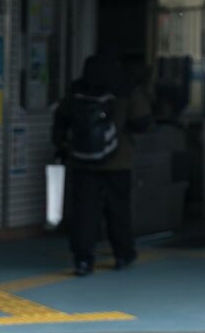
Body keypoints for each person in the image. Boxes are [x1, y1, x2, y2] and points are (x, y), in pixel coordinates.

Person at [54, 49, 152, 276]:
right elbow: (141, 122)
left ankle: (83, 259)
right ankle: (122, 254)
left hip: (82, 161)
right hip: (118, 162)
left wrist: (61, 144)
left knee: (84, 211)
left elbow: (61, 119)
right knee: (118, 209)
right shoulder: (126, 87)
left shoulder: (78, 89)